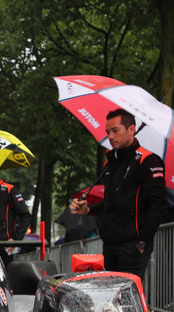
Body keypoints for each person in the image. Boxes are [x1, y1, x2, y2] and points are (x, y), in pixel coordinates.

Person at [69, 108, 167, 282]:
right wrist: (89, 208)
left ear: (131, 129)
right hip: (110, 245)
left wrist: (142, 242)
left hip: (133, 246)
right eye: (108, 132)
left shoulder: (148, 160)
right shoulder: (111, 163)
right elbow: (111, 202)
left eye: (115, 131)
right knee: (114, 302)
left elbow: (158, 205)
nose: (110, 136)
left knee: (126, 299)